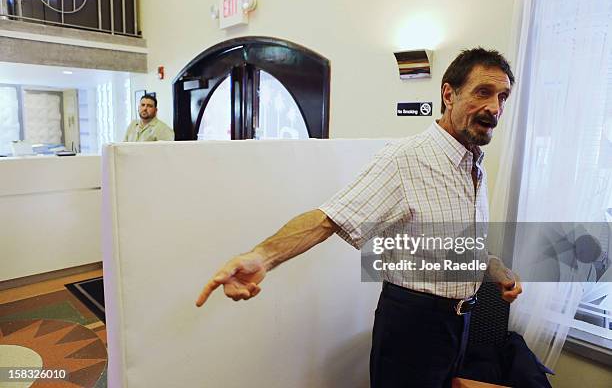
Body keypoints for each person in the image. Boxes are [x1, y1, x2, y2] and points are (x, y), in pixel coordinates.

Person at [195, 48, 523, 388]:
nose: (495, 108)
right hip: (415, 328)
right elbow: (327, 219)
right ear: (448, 94)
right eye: (483, 92)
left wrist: (494, 268)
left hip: (460, 325)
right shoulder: (403, 160)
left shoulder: (474, 164)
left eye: (503, 97)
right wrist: (260, 257)